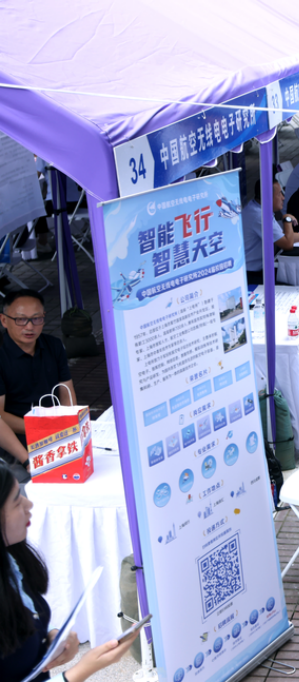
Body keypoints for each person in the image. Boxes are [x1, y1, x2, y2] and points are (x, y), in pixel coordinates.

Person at [0, 466, 141, 682]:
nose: (29, 505)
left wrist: (51, 639)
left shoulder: (12, 560)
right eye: (17, 502)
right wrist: (80, 671)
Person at [0, 290, 75, 482]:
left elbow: (67, 394)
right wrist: (28, 458)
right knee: (21, 484)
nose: (29, 326)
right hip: (13, 441)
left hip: (54, 432)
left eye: (36, 318)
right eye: (20, 319)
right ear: (4, 320)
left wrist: (71, 427)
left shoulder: (54, 345)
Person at [242, 179, 299, 285]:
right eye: (279, 194)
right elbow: (287, 244)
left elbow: (284, 236)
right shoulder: (259, 216)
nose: (283, 197)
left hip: (260, 270)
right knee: (293, 284)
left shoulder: (259, 208)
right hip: (252, 275)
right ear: (268, 197)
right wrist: (287, 219)